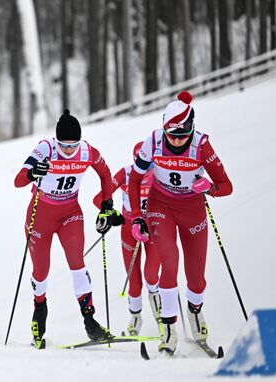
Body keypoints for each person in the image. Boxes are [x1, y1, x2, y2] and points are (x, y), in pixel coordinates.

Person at [129, 91, 233, 354]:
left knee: (196, 278)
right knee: (169, 262)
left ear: (192, 130)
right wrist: (137, 218)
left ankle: (195, 312)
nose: (175, 140)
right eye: (171, 135)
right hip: (160, 205)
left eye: (182, 136)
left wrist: (209, 187)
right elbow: (135, 179)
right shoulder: (152, 141)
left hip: (192, 209)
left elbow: (226, 185)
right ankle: (169, 329)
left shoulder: (201, 145)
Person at [14, 109, 124, 348]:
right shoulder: (45, 148)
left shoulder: (87, 151)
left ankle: (90, 321)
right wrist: (33, 172)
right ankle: (39, 310)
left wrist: (106, 204)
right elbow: (18, 180)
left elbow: (106, 175)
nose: (68, 150)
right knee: (41, 269)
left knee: (77, 260)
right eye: (64, 145)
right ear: (56, 141)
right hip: (41, 213)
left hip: (70, 213)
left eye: (73, 145)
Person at [93, 142, 161, 336]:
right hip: (129, 228)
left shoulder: (160, 172)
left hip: (154, 227)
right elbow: (99, 198)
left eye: (148, 164)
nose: (145, 168)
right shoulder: (126, 173)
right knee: (134, 279)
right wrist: (113, 214)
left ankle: (162, 319)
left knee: (151, 274)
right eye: (141, 163)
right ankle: (135, 318)